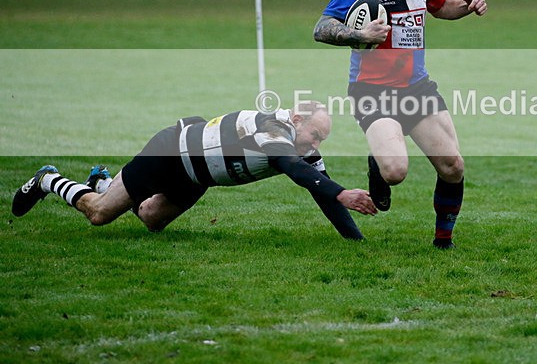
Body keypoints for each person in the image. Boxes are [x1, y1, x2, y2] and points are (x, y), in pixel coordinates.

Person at [313, 0, 488, 248]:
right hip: (373, 92)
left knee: (452, 166)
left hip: (417, 87)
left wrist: (467, 4)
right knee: (395, 172)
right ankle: (378, 165)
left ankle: (443, 242)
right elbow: (321, 28)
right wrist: (358, 34)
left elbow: (441, 5)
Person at [12, 101, 377, 239]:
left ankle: (105, 181)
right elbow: (297, 173)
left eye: (321, 140)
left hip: (197, 178)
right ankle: (47, 179)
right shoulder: (273, 129)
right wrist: (343, 192)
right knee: (100, 214)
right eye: (315, 135)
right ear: (297, 119)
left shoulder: (301, 146)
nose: (316, 145)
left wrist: (355, 241)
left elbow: (319, 188)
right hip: (169, 153)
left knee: (152, 219)